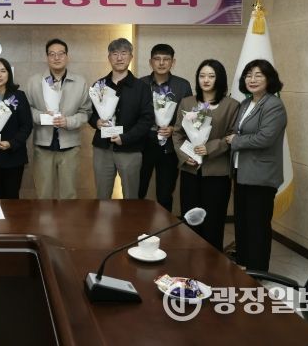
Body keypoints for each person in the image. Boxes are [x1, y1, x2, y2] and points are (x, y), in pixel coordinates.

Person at [225, 59, 287, 271]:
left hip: (261, 175)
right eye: (248, 75)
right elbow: (236, 130)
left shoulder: (273, 105)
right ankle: (243, 265)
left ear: (269, 79)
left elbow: (265, 138)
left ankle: (258, 271)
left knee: (257, 226)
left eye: (258, 75)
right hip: (241, 172)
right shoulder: (245, 104)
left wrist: (236, 141)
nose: (252, 79)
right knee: (242, 223)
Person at [172, 60, 239, 250]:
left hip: (217, 172)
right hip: (190, 170)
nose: (206, 80)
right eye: (202, 76)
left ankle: (212, 261)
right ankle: (189, 257)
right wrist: (185, 156)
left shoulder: (231, 105)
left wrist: (210, 147)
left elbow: (233, 136)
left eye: (211, 76)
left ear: (220, 79)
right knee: (190, 219)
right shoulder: (187, 102)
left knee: (213, 221)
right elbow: (177, 134)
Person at [26, 39, 91, 199]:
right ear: (47, 57)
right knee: (44, 195)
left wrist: (68, 121)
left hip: (70, 147)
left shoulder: (80, 82)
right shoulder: (34, 82)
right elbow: (26, 110)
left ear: (67, 56)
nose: (56, 58)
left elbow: (86, 112)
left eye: (61, 54)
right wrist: (42, 117)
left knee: (69, 196)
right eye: (52, 54)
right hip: (43, 147)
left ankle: (68, 218)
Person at [90, 38, 153, 199]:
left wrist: (125, 138)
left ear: (131, 57)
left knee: (131, 198)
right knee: (102, 197)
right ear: (109, 57)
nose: (119, 58)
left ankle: (131, 219)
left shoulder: (142, 87)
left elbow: (147, 120)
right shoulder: (99, 85)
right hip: (102, 149)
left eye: (124, 53)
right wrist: (96, 122)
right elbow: (89, 112)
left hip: (130, 149)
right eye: (115, 53)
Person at [138, 44, 192, 212]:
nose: (161, 63)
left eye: (166, 59)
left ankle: (164, 226)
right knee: (137, 190)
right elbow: (133, 115)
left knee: (165, 194)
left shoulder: (183, 85)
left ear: (172, 62)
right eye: (157, 59)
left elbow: (190, 117)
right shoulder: (140, 84)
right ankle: (134, 224)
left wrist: (174, 129)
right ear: (150, 62)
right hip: (143, 145)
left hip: (170, 148)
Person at [0, 58, 33, 199]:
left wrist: (11, 143)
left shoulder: (18, 96)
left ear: (9, 74)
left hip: (13, 157)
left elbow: (27, 125)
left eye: (3, 71)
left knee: (12, 198)